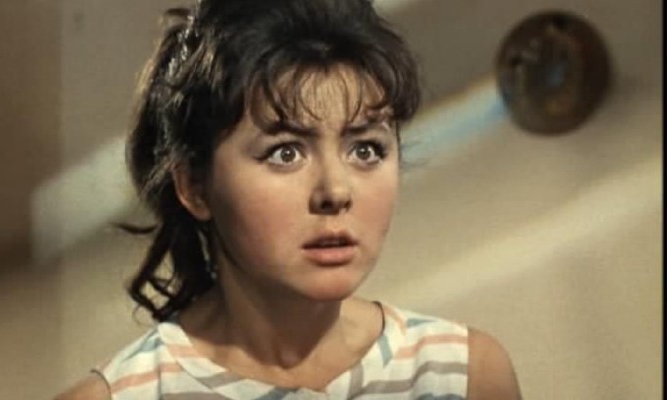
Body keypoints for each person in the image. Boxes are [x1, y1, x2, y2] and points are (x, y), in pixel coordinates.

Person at [57, 0, 521, 398]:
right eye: (285, 153)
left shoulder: (464, 375)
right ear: (194, 186)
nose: (335, 192)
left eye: (365, 150)